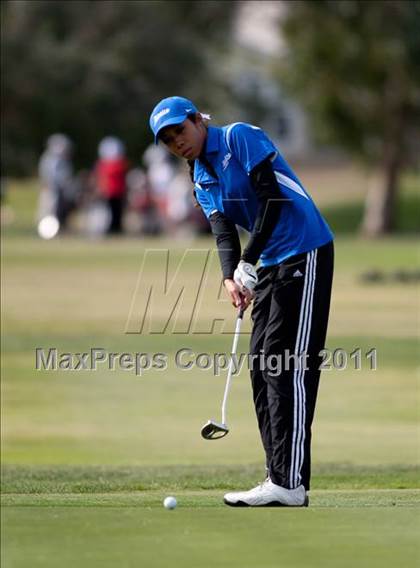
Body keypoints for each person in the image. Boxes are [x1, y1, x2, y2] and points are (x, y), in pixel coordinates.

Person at [149, 96, 334, 508]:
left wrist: (249, 261)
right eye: (167, 139)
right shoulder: (200, 175)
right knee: (262, 366)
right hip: (268, 262)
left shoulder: (239, 138)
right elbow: (223, 233)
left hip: (305, 250)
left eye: (180, 129)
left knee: (287, 364)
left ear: (197, 120)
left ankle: (290, 482)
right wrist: (231, 275)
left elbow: (273, 199)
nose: (177, 141)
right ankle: (278, 478)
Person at [94, 136, 129, 234]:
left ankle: (116, 229)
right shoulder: (104, 164)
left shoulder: (119, 164)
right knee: (109, 213)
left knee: (117, 213)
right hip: (108, 193)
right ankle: (111, 229)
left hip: (117, 192)